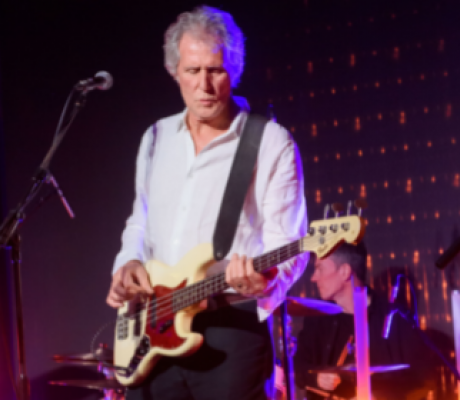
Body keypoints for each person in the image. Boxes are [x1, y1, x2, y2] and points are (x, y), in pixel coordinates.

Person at [105, 6, 309, 400]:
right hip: (154, 328)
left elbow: (291, 246)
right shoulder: (156, 138)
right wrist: (128, 262)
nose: (204, 85)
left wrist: (265, 279)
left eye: (215, 70)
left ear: (234, 69)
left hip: (231, 329)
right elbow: (139, 222)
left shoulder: (270, 142)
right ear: (174, 71)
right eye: (192, 71)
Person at [294, 242, 433, 400]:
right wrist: (317, 378)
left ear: (345, 272)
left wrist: (377, 396)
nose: (313, 278)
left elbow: (420, 379)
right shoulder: (316, 317)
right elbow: (297, 369)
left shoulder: (393, 318)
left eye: (320, 268)